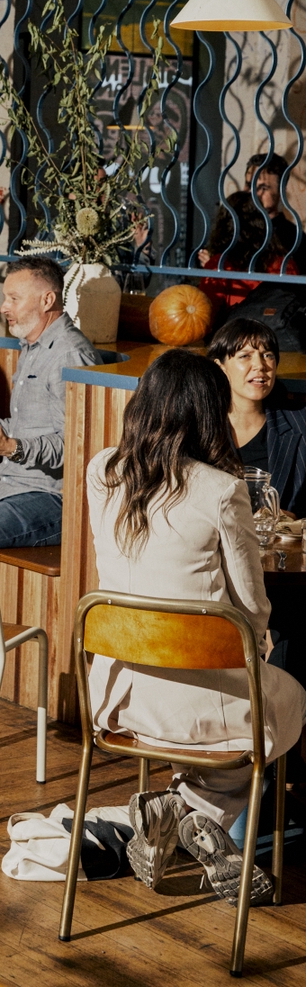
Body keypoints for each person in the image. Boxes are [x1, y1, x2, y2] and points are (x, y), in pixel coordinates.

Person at [87, 350, 306, 904]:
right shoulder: (221, 489)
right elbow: (252, 609)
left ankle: (174, 807)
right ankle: (190, 807)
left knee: (256, 706)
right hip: (197, 708)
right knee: (290, 699)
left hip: (117, 698)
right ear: (211, 412)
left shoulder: (102, 470)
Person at [0, 256, 100, 691]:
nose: (3, 307)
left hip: (52, 500)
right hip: (13, 486)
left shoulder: (71, 354)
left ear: (47, 299)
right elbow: (31, 429)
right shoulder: (32, 346)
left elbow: (77, 444)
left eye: (13, 298)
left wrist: (10, 446)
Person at [207, 316, 306, 691]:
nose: (260, 366)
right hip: (217, 563)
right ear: (221, 366)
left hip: (279, 570)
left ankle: (280, 713)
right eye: (245, 356)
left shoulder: (299, 426)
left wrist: (291, 519)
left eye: (267, 355)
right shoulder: (202, 430)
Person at [198, 190, 298, 316]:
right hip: (274, 327)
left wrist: (212, 269)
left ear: (224, 225)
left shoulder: (220, 265)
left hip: (234, 328)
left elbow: (205, 314)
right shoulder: (284, 264)